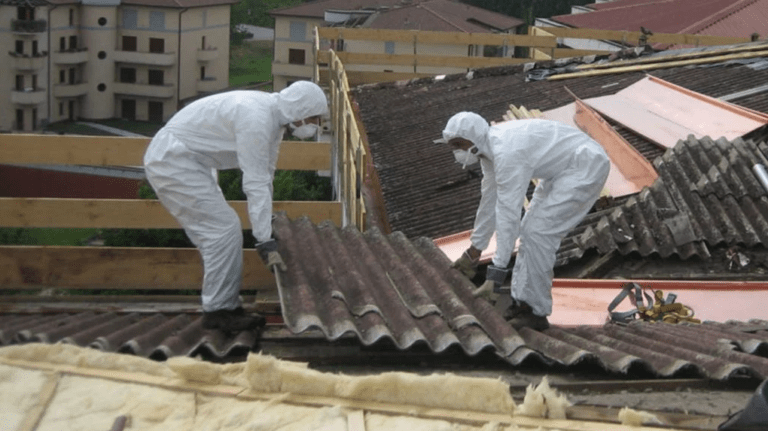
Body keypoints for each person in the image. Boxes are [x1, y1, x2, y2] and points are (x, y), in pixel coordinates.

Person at [144, 81, 329, 332]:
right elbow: (254, 181)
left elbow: (266, 174)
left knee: (221, 233)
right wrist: (263, 239)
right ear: (300, 109)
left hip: (188, 161)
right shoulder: (257, 118)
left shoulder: (272, 121)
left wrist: (266, 227)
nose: (315, 124)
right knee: (223, 231)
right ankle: (218, 312)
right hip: (173, 160)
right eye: (314, 117)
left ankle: (226, 306)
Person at [437, 112, 610, 330]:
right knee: (529, 231)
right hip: (560, 172)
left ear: (473, 136)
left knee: (538, 234)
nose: (458, 152)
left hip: (585, 165)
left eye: (459, 144)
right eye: (453, 147)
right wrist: (474, 249)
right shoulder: (488, 151)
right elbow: (489, 201)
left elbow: (508, 212)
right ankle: (522, 303)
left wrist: (497, 271)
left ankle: (535, 311)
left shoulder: (506, 152)